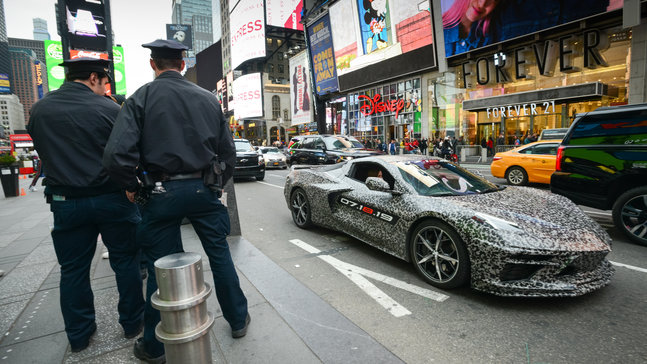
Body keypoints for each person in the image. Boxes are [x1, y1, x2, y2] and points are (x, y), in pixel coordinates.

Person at [102, 40, 249, 364]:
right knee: (220, 254)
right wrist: (215, 185)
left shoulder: (140, 98)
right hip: (203, 191)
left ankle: (154, 347)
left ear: (153, 64)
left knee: (160, 267)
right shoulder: (209, 99)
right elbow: (228, 154)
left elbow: (115, 156)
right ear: (182, 65)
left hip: (161, 191)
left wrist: (135, 187)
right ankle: (238, 320)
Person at [27, 58, 144, 353]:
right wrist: (131, 185)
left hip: (66, 201)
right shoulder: (108, 108)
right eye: (104, 81)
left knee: (73, 269)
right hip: (112, 198)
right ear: (93, 77)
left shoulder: (40, 109)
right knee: (125, 262)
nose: (105, 87)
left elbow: (42, 149)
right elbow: (126, 153)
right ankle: (132, 323)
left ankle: (79, 335)